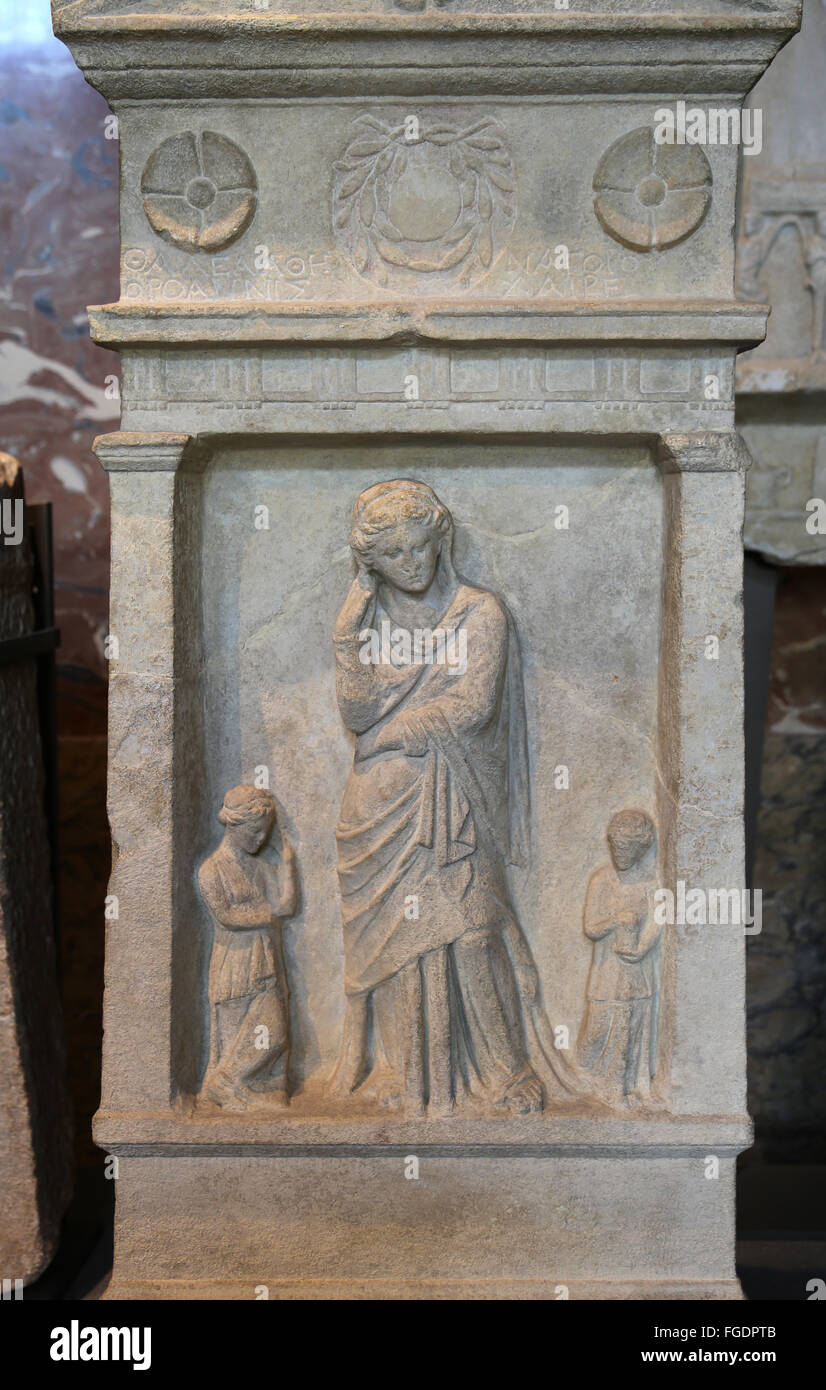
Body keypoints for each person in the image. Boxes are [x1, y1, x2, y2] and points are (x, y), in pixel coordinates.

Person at [329, 478, 566, 1116]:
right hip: (378, 809)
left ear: (442, 540)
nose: (410, 563)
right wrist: (349, 623)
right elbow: (354, 714)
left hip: (454, 797)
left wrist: (387, 737)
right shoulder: (370, 620)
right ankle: (414, 1082)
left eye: (419, 548)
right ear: (371, 561)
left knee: (473, 931)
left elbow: (473, 704)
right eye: (393, 555)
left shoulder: (479, 612)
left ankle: (505, 1074)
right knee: (400, 945)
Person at [198, 785, 298, 1110]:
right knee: (238, 1033)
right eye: (254, 832)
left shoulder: (259, 867)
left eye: (264, 833)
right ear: (234, 825)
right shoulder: (211, 870)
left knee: (274, 1032)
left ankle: (237, 1083)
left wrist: (288, 864)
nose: (259, 840)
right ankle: (227, 1085)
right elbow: (226, 916)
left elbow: (285, 905)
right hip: (235, 963)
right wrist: (267, 915)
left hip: (265, 960)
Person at [576, 810, 662, 1106]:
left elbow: (657, 921)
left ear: (641, 849)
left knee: (632, 1025)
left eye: (626, 847)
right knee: (596, 1033)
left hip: (637, 971)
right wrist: (616, 919)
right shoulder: (602, 880)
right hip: (607, 973)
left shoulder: (650, 883)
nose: (618, 853)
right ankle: (588, 1081)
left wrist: (641, 949)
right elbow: (591, 927)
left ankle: (623, 1089)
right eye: (615, 846)